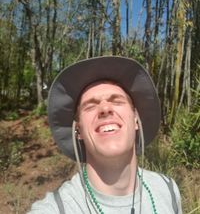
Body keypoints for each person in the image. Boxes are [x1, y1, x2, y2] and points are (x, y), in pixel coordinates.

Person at [28, 56, 182, 214]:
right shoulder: (56, 209)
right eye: (90, 106)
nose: (105, 108)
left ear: (136, 119)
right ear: (78, 130)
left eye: (116, 101)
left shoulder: (167, 189)